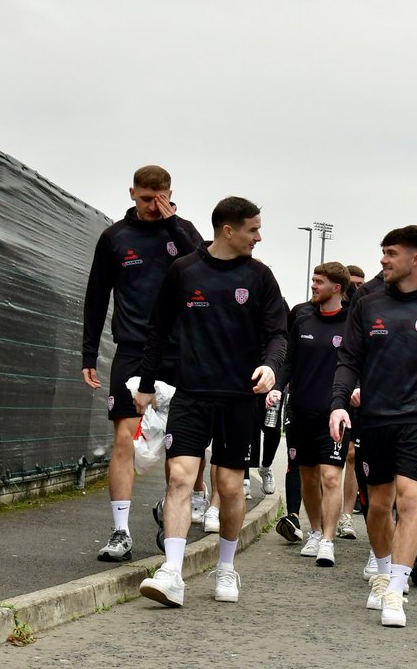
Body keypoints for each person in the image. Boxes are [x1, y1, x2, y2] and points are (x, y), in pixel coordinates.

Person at [136, 196, 288, 607]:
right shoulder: (184, 271)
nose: (259, 236)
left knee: (230, 486)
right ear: (228, 230)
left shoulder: (260, 276)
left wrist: (271, 366)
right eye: (253, 229)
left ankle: (225, 566)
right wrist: (147, 385)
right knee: (180, 479)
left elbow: (278, 333)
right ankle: (172, 572)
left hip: (239, 399)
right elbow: (158, 330)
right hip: (190, 395)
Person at [329, 225, 417, 628]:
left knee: (410, 500)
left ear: (416, 259)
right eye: (382, 252)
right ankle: (383, 568)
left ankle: (396, 587)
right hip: (374, 419)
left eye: (390, 253)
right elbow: (349, 361)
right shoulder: (368, 305)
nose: (383, 260)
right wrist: (338, 404)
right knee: (377, 505)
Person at [81, 165, 203, 561]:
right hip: (133, 350)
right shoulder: (115, 238)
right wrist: (87, 355)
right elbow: (96, 297)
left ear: (170, 193)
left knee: (176, 443)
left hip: (179, 352)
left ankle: (171, 512)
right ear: (132, 193)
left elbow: (207, 270)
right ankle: (120, 533)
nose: (154, 206)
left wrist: (175, 228)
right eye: (146, 198)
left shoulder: (183, 232)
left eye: (161, 198)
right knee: (124, 440)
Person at [270, 262, 352, 567]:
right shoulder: (302, 318)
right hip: (300, 411)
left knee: (331, 477)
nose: (313, 285)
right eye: (313, 280)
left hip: (333, 415)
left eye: (319, 281)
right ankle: (315, 530)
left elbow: (357, 364)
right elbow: (289, 361)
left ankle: (328, 540)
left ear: (336, 288)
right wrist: (277, 386)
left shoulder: (350, 324)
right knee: (308, 475)